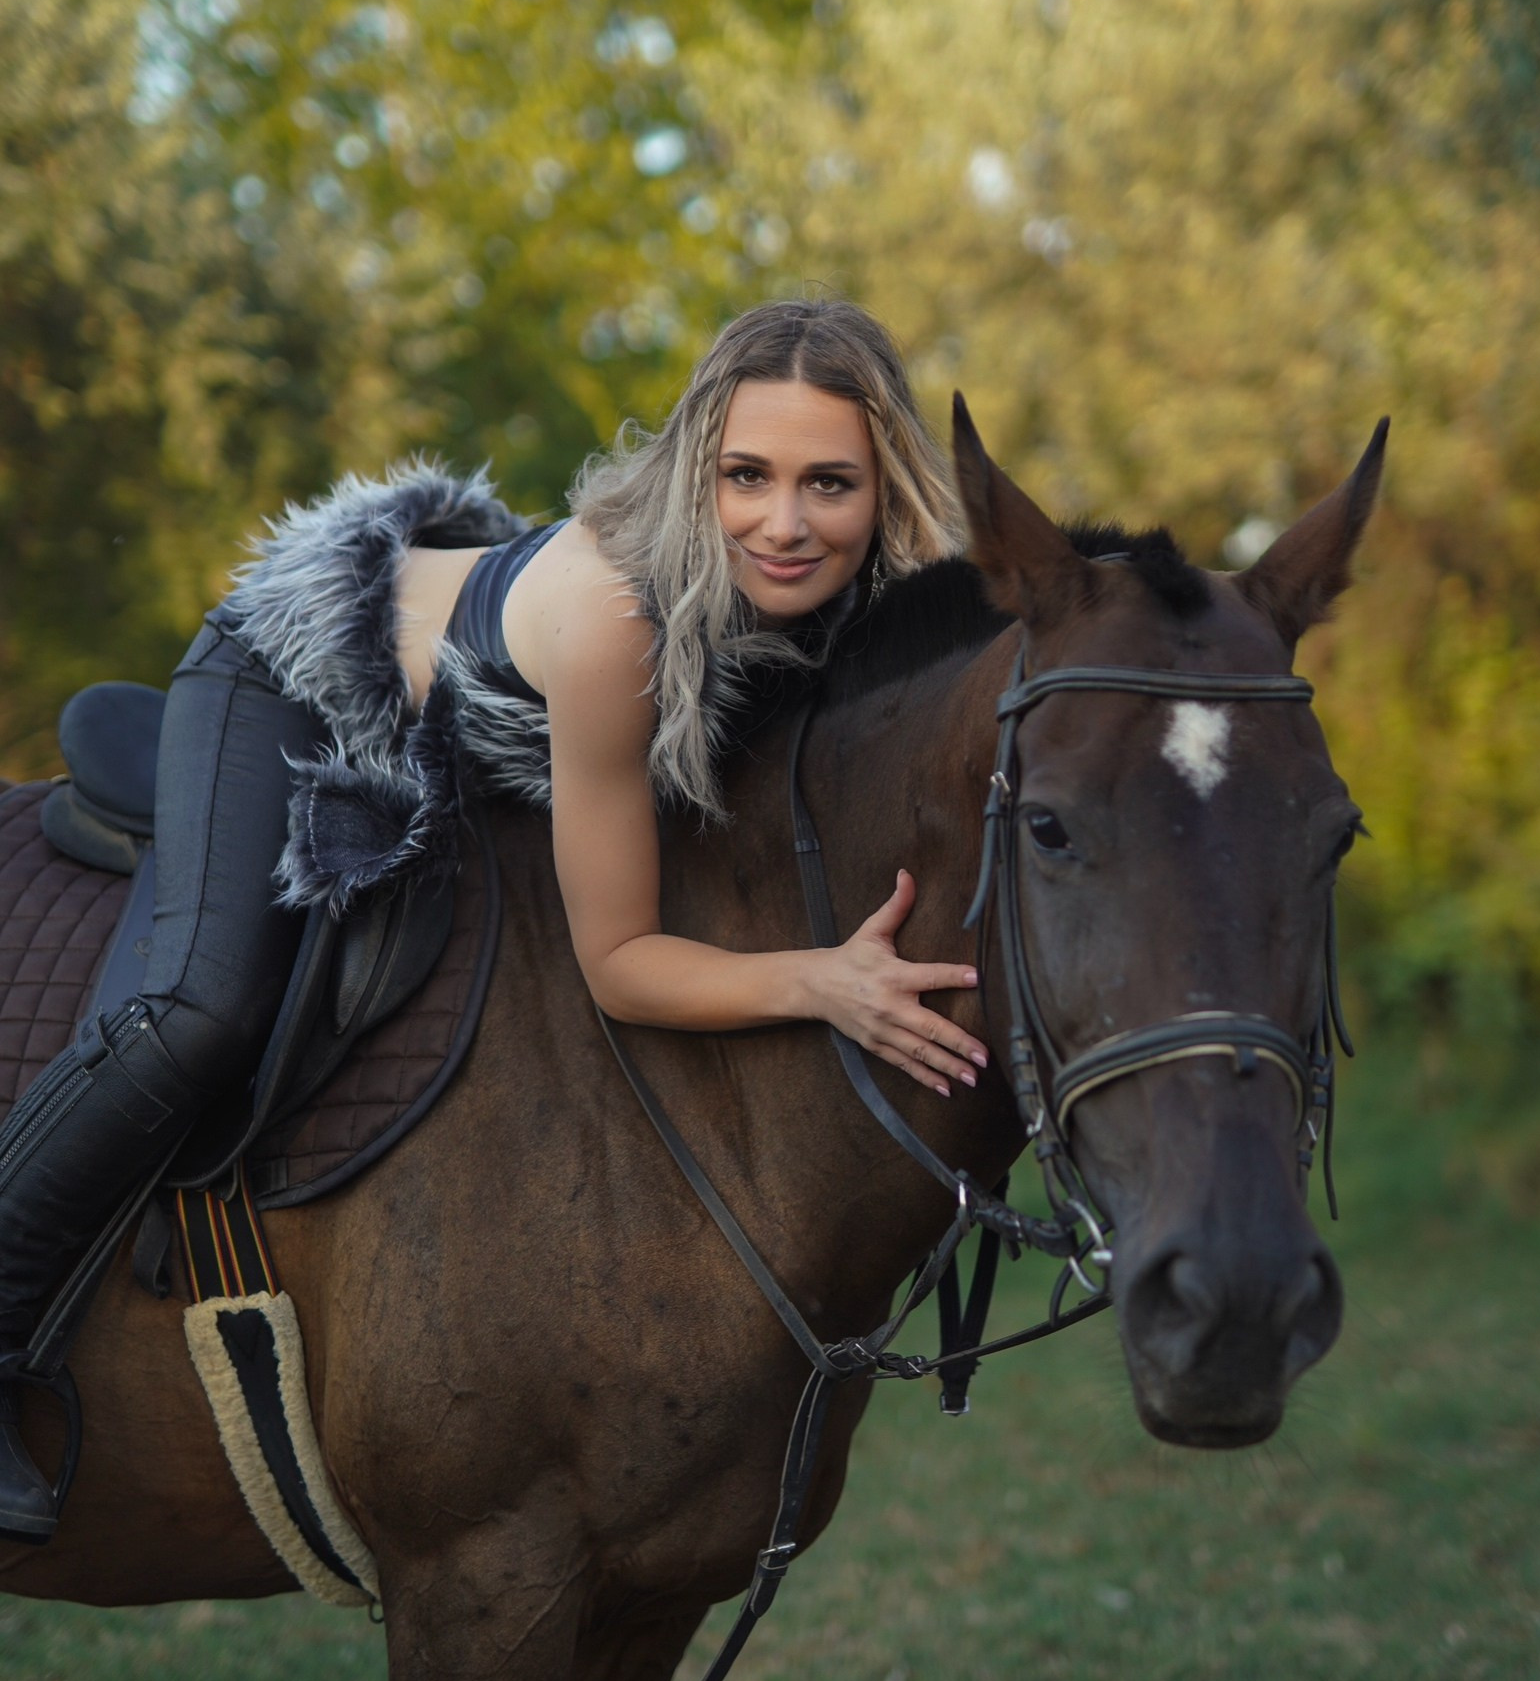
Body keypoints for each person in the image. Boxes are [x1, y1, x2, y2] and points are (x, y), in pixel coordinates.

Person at [0, 300, 986, 1540]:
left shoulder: (868, 606)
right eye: (747, 475)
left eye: (829, 483)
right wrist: (824, 983)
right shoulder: (620, 625)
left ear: (882, 485)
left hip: (468, 717)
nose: (785, 523)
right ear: (698, 470)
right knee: (195, 1006)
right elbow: (621, 964)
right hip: (293, 676)